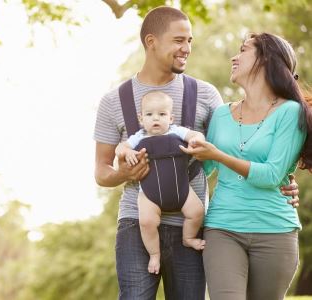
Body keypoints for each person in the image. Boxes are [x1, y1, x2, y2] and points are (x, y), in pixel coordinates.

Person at [93, 6, 301, 300]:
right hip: (137, 221)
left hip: (190, 224)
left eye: (190, 41)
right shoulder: (113, 101)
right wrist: (122, 173)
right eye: (179, 40)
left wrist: (283, 178)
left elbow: (226, 150)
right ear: (151, 41)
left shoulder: (205, 95)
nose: (187, 49)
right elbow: (101, 171)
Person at [181, 32, 312, 300]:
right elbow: (203, 170)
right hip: (222, 228)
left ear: (266, 59)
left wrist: (218, 155)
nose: (234, 57)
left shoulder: (290, 112)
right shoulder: (220, 114)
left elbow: (273, 175)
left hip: (275, 231)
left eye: (243, 50)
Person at [115, 91, 206, 275]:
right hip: (150, 195)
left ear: (171, 117)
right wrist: (127, 153)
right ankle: (154, 254)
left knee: (197, 212)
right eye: (149, 115)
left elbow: (195, 134)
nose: (155, 119)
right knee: (147, 222)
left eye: (162, 114)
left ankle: (188, 238)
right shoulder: (138, 137)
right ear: (141, 119)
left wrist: (197, 140)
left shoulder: (177, 131)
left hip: (182, 191)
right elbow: (120, 148)